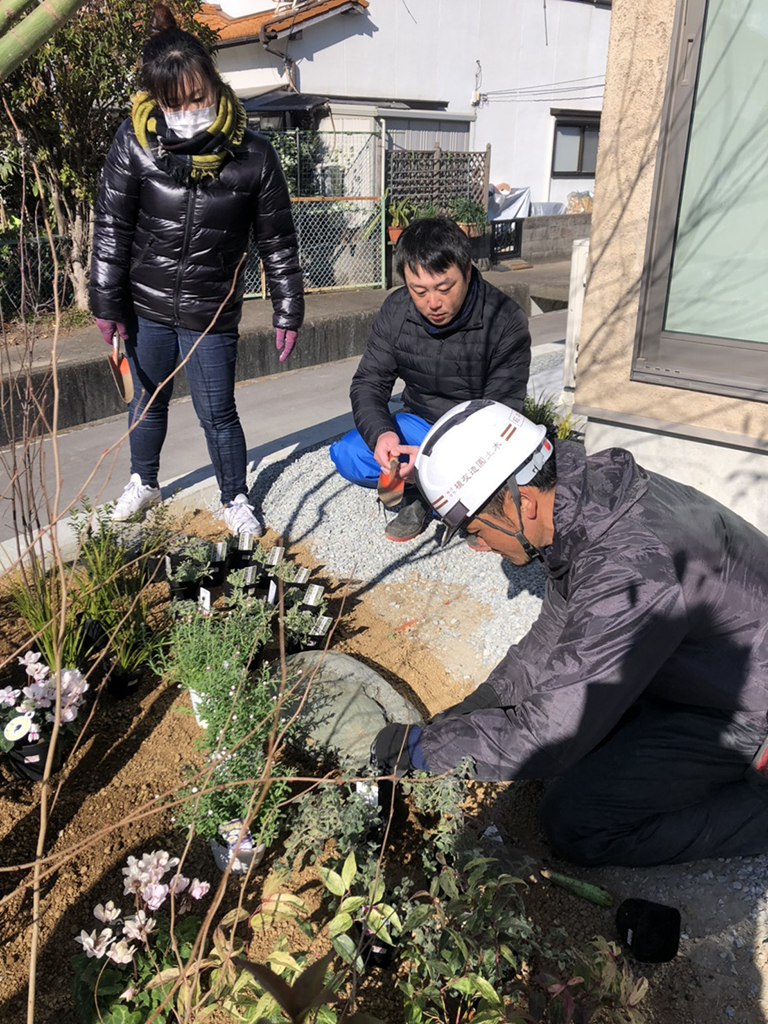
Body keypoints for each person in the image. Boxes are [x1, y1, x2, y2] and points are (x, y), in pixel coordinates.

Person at [373, 399, 768, 867]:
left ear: (524, 501)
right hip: (704, 667)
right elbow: (549, 641)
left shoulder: (627, 565)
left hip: (746, 708)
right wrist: (470, 710)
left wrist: (419, 752)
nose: (479, 547)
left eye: (474, 532)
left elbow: (550, 732)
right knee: (573, 736)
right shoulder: (586, 507)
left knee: (576, 820)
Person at [90, 3, 304, 534]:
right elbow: (112, 227)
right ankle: (145, 481)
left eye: (197, 97)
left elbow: (275, 239)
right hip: (147, 307)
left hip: (210, 311)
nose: (187, 110)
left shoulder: (253, 155)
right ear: (156, 99)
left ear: (213, 83)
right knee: (146, 403)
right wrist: (105, 302)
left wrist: (288, 308)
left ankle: (235, 497)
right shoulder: (134, 141)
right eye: (173, 102)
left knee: (217, 412)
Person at [329, 217, 530, 542]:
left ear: (466, 271)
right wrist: (383, 436)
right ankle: (423, 494)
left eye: (444, 288)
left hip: (476, 436)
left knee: (509, 478)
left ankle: (458, 502)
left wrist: (431, 463)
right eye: (419, 291)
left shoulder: (504, 319)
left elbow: (502, 413)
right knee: (349, 454)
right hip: (420, 422)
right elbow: (369, 382)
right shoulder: (396, 311)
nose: (432, 303)